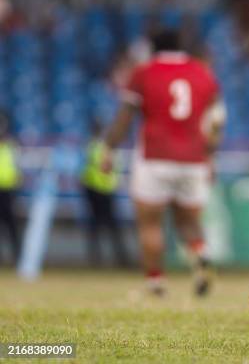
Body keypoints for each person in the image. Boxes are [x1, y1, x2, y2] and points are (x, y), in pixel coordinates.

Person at [102, 29, 226, 296]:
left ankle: (155, 282)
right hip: (193, 159)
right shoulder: (203, 73)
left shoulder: (143, 72)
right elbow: (216, 119)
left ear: (152, 47)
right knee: (188, 222)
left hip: (154, 157)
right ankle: (201, 255)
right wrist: (210, 156)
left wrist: (108, 149)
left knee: (150, 223)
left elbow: (125, 116)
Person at [80, 120, 129, 267]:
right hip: (97, 190)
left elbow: (108, 168)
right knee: (103, 227)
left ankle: (117, 258)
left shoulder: (98, 148)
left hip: (103, 191)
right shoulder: (98, 148)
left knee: (108, 226)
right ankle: (101, 258)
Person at [0, 111, 21, 265]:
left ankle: (18, 256)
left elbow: (17, 169)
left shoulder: (11, 147)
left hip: (8, 192)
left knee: (12, 226)